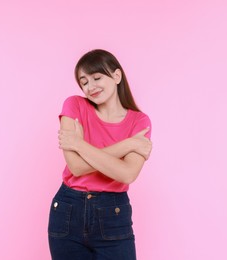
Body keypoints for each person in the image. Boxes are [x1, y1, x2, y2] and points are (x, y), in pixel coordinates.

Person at [48, 49, 152, 260]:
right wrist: (128, 145)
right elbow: (75, 167)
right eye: (84, 82)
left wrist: (79, 144)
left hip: (113, 213)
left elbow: (127, 174)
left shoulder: (139, 121)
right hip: (68, 209)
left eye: (96, 77)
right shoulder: (74, 105)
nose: (90, 86)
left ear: (116, 76)